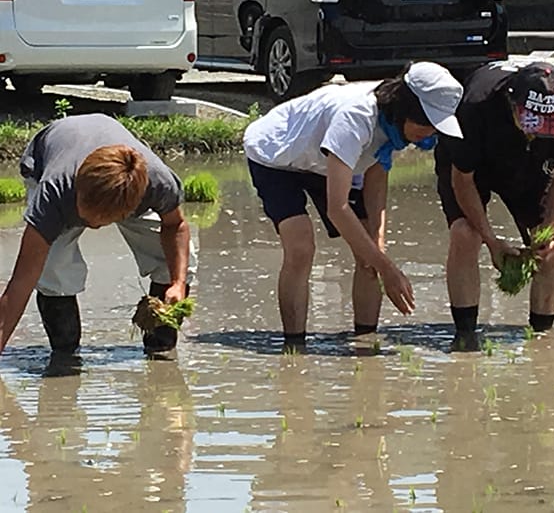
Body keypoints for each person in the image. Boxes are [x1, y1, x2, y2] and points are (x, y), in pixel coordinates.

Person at [244, 61, 463, 345]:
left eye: (436, 126)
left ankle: (365, 340)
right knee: (301, 246)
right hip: (277, 154)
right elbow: (338, 209)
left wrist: (378, 238)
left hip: (332, 163)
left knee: (370, 249)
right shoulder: (355, 118)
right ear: (405, 107)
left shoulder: (394, 123)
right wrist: (388, 269)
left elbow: (376, 168)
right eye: (426, 123)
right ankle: (294, 346)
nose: (430, 133)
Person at [435, 61, 554, 351]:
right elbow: (462, 180)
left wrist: (545, 231)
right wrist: (491, 241)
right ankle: (465, 336)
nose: (534, 133)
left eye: (544, 128)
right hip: (474, 164)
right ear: (512, 102)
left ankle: (541, 336)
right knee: (465, 234)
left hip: (530, 165)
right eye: (530, 124)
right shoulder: (475, 105)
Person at [0, 114, 196, 357]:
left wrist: (177, 283)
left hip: (121, 174)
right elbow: (22, 280)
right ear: (77, 194)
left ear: (129, 209)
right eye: (87, 218)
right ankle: (65, 354)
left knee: (177, 260)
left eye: (104, 220)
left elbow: (176, 226)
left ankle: (161, 351)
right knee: (53, 270)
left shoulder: (158, 183)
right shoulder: (53, 192)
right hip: (50, 150)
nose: (93, 227)